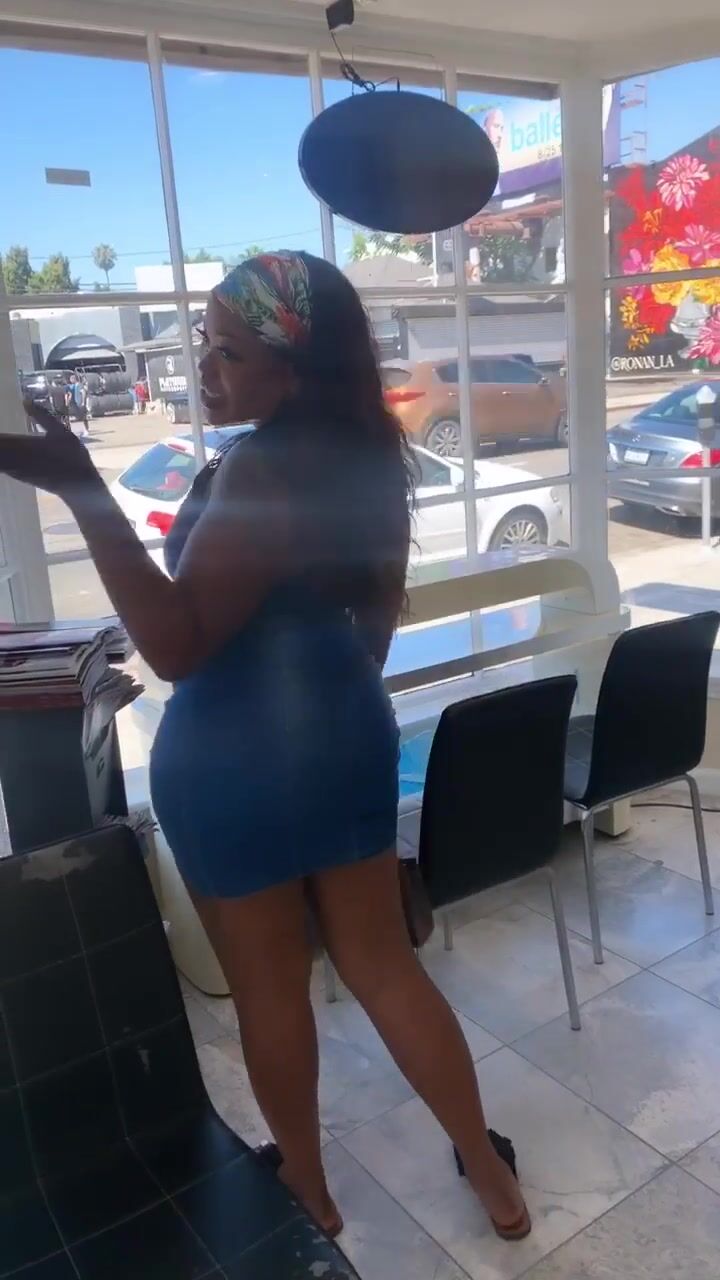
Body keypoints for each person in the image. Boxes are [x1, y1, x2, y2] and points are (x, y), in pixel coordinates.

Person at [0, 251, 529, 1242]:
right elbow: (375, 619)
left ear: (293, 370)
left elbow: (174, 643)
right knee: (385, 965)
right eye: (204, 343)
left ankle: (312, 1190)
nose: (203, 367)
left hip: (235, 758)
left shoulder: (259, 467)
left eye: (229, 352)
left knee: (269, 988)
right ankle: (495, 1180)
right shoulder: (366, 453)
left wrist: (84, 491)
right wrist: (328, 703)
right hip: (343, 728)